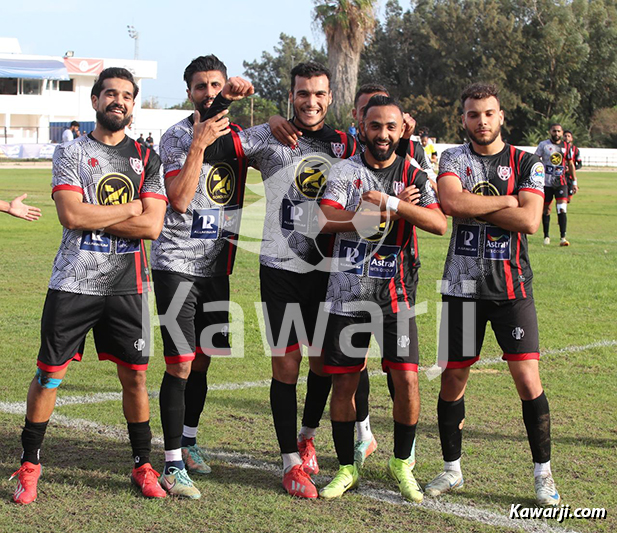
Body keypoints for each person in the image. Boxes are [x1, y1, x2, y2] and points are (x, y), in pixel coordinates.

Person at [10, 67, 168, 505]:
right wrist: (130, 207)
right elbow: (71, 215)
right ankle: (29, 464)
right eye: (110, 94)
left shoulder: (147, 157)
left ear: (133, 105)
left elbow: (152, 227)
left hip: (128, 285)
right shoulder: (72, 151)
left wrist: (100, 213)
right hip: (73, 280)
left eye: (127, 96)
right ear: (95, 100)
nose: (119, 101)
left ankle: (142, 465)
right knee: (49, 375)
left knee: (135, 378)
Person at [202, 62, 357, 498]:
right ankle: (290, 463)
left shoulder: (345, 143)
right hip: (280, 268)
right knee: (286, 364)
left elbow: (386, 152)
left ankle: (307, 436)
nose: (311, 102)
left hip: (330, 270)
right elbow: (214, 146)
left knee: (323, 363)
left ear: (330, 97)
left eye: (319, 94)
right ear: (291, 96)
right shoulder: (271, 136)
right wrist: (227, 101)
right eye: (303, 93)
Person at [424, 83, 560, 508]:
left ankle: (543, 475)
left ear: (501, 116)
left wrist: (476, 203)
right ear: (463, 119)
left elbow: (531, 221)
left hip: (511, 287)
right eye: (473, 114)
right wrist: (508, 200)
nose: (481, 121)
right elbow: (451, 203)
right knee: (454, 377)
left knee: (527, 380)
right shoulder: (453, 158)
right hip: (461, 286)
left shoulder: (527, 161)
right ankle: (452, 470)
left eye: (488, 113)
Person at [318, 95, 446, 501]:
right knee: (345, 382)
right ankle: (346, 467)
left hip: (396, 295)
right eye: (375, 126)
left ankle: (402, 462)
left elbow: (439, 223)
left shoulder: (413, 173)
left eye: (391, 126)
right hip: (347, 293)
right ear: (363, 127)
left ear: (401, 129)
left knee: (406, 379)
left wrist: (391, 203)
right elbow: (324, 218)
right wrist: (380, 214)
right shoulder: (346, 171)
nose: (383, 134)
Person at [150, 55, 247, 499]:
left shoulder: (239, 137)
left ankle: (188, 442)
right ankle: (171, 465)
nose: (209, 93)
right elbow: (180, 198)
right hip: (175, 263)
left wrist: (277, 123)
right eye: (201, 86)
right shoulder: (176, 136)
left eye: (216, 85)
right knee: (180, 362)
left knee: (204, 358)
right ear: (189, 92)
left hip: (216, 267)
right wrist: (199, 144)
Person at [535, 123, 575, 246]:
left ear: (562, 133)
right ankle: (546, 236)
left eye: (558, 131)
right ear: (550, 132)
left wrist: (574, 181)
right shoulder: (543, 145)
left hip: (561, 182)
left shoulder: (566, 146)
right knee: (546, 209)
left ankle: (563, 237)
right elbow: (535, 160)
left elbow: (571, 163)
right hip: (546, 183)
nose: (556, 133)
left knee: (562, 208)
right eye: (554, 131)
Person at [563, 130, 582, 203]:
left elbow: (580, 164)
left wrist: (571, 169)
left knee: (568, 199)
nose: (566, 138)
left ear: (571, 138)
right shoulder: (558, 148)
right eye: (565, 136)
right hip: (560, 176)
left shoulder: (575, 150)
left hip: (570, 176)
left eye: (568, 136)